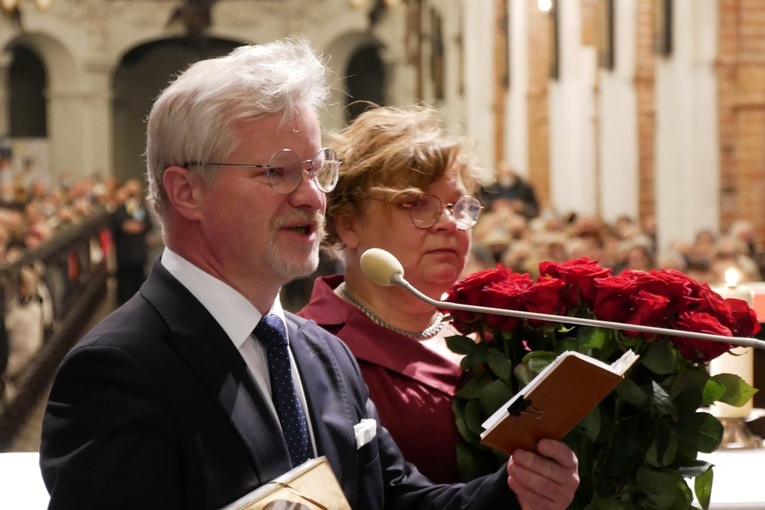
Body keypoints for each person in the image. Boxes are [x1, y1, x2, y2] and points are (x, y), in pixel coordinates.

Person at [39, 38, 578, 510]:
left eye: (317, 169)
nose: (311, 194)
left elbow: (395, 499)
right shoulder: (119, 370)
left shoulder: (318, 351)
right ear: (186, 191)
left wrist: (514, 491)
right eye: (277, 171)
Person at [298, 104, 578, 489]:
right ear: (348, 224)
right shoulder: (312, 348)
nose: (449, 223)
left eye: (458, 207)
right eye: (416, 204)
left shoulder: (494, 324)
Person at [111, 178, 154, 304]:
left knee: (138, 284)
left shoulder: (143, 209)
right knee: (124, 285)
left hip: (139, 255)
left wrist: (140, 226)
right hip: (124, 255)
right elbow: (115, 224)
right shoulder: (119, 210)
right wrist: (125, 226)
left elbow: (149, 224)